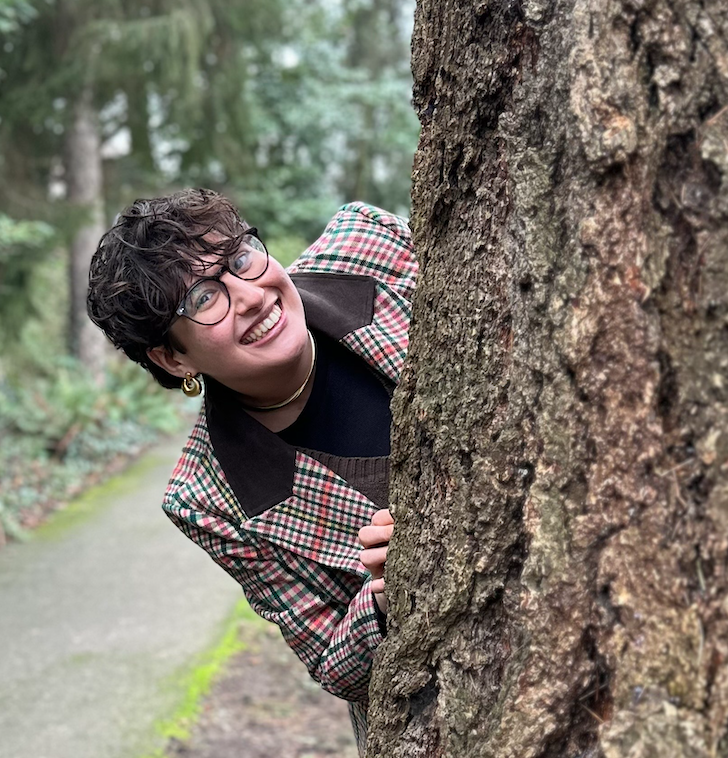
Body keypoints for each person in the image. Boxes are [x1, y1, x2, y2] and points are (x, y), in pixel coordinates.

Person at [86, 188, 416, 754]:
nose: (250, 295)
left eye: (238, 259)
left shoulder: (369, 243)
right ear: (173, 357)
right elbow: (336, 664)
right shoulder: (206, 498)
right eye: (205, 298)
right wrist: (386, 592)